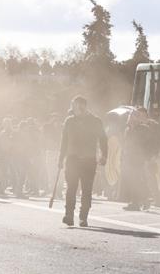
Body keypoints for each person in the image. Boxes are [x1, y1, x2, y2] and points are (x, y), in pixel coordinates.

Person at [57, 96, 107, 227]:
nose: (72, 108)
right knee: (71, 188)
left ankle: (83, 217)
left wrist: (104, 155)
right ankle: (69, 215)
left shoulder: (95, 121)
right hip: (72, 159)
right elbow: (64, 141)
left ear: (82, 106)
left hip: (88, 160)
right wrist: (60, 158)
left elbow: (103, 139)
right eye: (73, 105)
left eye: (75, 105)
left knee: (86, 190)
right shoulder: (69, 121)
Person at [121, 108, 155, 211]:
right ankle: (140, 201)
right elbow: (125, 143)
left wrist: (147, 156)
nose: (131, 117)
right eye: (130, 115)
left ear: (137, 118)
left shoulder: (143, 129)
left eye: (134, 116)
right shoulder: (128, 129)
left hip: (139, 158)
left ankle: (140, 201)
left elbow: (149, 143)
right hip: (129, 158)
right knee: (133, 181)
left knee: (138, 180)